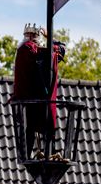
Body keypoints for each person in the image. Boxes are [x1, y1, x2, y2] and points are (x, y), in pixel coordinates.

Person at [10, 24, 62, 159]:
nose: (32, 38)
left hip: (32, 97)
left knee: (38, 126)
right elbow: (57, 52)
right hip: (30, 98)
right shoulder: (27, 49)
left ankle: (46, 153)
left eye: (34, 35)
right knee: (36, 126)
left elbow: (53, 54)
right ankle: (31, 154)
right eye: (29, 35)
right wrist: (50, 38)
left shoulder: (29, 50)